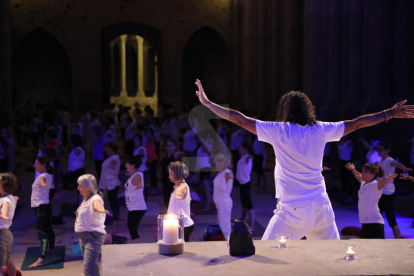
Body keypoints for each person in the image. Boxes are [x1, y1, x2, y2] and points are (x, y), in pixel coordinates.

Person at [194, 78, 414, 240]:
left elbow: (241, 120)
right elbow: (356, 123)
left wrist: (209, 105)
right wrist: (389, 113)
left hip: (292, 210)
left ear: (285, 111)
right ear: (308, 110)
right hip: (321, 206)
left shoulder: (279, 130)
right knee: (333, 263)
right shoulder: (321, 130)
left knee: (262, 258)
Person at [345, 162, 397, 239]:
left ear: (373, 175)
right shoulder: (363, 184)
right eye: (363, 171)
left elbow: (382, 182)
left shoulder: (375, 185)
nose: (362, 173)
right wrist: (353, 169)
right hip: (365, 222)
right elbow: (358, 175)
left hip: (375, 223)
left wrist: (388, 178)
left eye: (365, 172)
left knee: (377, 249)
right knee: (366, 249)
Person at [376, 141, 412, 239]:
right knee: (378, 218)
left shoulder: (389, 160)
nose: (378, 151)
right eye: (378, 149)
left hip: (387, 193)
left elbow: (396, 164)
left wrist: (403, 168)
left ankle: (398, 239)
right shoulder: (380, 161)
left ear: (387, 150)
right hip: (380, 193)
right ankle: (380, 238)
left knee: (391, 219)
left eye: (381, 149)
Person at [75, 174, 108, 276]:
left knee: (88, 269)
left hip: (93, 237)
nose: (78, 188)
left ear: (88, 187)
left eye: (80, 186)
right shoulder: (85, 198)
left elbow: (96, 205)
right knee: (92, 265)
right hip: (83, 238)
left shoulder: (95, 198)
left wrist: (100, 210)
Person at [29, 156, 55, 268]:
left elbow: (42, 181)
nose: (34, 165)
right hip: (45, 207)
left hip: (41, 208)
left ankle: (41, 260)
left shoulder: (43, 176)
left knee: (42, 234)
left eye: (37, 163)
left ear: (43, 165)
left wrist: (43, 184)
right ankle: (51, 248)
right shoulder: (47, 175)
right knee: (48, 229)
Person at [167, 161, 194, 242]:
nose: (169, 177)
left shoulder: (183, 186)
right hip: (176, 225)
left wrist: (177, 191)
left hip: (183, 225)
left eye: (171, 174)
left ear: (178, 174)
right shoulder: (179, 186)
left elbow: (179, 191)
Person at [98, 141, 121, 231]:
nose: (105, 150)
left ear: (111, 149)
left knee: (114, 203)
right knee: (112, 203)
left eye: (106, 148)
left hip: (113, 184)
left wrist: (112, 164)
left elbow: (114, 162)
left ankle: (115, 222)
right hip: (110, 184)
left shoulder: (114, 157)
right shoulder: (111, 157)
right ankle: (115, 220)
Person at [124, 156, 147, 243]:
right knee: (131, 227)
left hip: (137, 207)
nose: (125, 165)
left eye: (127, 164)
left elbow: (140, 186)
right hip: (133, 207)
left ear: (133, 165)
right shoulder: (134, 175)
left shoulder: (137, 176)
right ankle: (136, 247)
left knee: (132, 228)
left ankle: (137, 248)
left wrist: (140, 185)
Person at [213, 154, 234, 240]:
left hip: (224, 203)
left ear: (225, 162)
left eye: (221, 160)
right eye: (217, 160)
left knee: (226, 229)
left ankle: (232, 247)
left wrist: (228, 176)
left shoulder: (226, 171)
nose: (219, 162)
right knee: (223, 227)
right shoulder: (220, 173)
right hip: (220, 204)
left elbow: (228, 175)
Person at [0, 173, 18, 276]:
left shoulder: (5, 200)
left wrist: (3, 214)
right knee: (8, 261)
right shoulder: (9, 197)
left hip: (2, 234)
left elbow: (4, 208)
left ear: (4, 185)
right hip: (6, 233)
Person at [160, 138, 185, 208]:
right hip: (166, 183)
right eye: (167, 145)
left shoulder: (176, 157)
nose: (169, 147)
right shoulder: (164, 159)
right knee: (167, 203)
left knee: (174, 203)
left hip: (174, 184)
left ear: (175, 146)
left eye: (171, 145)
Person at [236, 142, 255, 231]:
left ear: (245, 149)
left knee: (249, 204)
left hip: (246, 183)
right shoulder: (242, 158)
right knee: (243, 202)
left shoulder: (247, 158)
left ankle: (252, 225)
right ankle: (243, 219)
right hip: (241, 183)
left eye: (240, 147)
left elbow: (248, 158)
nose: (238, 149)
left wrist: (249, 156)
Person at [338, 136, 354, 202]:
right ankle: (344, 192)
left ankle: (350, 196)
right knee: (343, 178)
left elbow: (350, 143)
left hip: (348, 162)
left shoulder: (349, 142)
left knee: (348, 179)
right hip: (342, 162)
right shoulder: (340, 143)